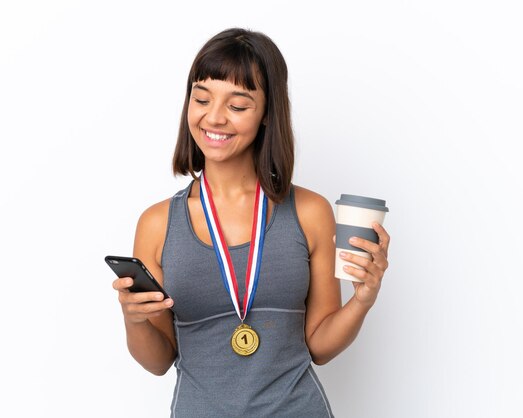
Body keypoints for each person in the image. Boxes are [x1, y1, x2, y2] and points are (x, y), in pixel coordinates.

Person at [112, 27, 390, 417]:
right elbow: (158, 361)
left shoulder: (310, 212)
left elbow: (320, 346)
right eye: (201, 98)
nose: (214, 117)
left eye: (238, 106)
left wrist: (363, 300)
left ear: (266, 115)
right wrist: (134, 319)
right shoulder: (158, 224)